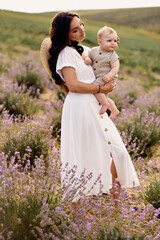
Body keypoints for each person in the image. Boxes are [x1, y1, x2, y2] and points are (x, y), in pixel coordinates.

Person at [40, 11, 139, 206]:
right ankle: (78, 207)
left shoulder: (84, 49)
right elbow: (74, 85)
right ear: (65, 34)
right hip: (80, 107)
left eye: (82, 25)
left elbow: (103, 59)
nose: (82, 30)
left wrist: (112, 41)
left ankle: (114, 200)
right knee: (83, 155)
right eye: (75, 30)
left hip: (94, 105)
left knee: (118, 152)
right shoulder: (65, 54)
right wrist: (102, 88)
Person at [84, 26, 120, 119]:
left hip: (106, 76)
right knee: (102, 95)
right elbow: (88, 55)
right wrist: (87, 59)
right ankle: (114, 110)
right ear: (100, 42)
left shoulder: (113, 55)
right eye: (109, 41)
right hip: (99, 76)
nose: (113, 43)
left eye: (115, 41)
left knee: (96, 88)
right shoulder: (94, 50)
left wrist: (109, 76)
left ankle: (105, 104)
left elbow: (115, 68)